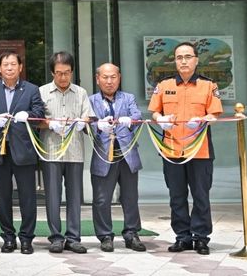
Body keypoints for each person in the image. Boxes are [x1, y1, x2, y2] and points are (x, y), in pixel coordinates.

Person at [148, 42, 222, 255]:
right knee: (177, 196)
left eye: (188, 56)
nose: (183, 61)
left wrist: (202, 119)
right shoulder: (163, 85)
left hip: (200, 150)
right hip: (172, 150)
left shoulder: (208, 86)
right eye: (179, 57)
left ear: (196, 60)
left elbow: (214, 114)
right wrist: (160, 119)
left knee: (200, 195)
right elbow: (154, 112)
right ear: (175, 60)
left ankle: (200, 238)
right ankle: (182, 237)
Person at [0, 51, 45, 254]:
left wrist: (29, 115)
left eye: (13, 64)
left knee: (27, 197)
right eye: (5, 65)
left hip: (23, 149)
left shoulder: (32, 89)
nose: (9, 68)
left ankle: (26, 238)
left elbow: (39, 114)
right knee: (2, 197)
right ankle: (8, 237)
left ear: (20, 67)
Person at [39, 51, 95, 254]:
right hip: (51, 151)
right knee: (53, 196)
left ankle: (73, 237)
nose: (63, 77)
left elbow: (88, 116)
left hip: (74, 152)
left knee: (74, 196)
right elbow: (36, 120)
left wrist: (83, 122)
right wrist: (50, 124)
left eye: (67, 73)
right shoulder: (42, 92)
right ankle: (55, 237)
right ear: (52, 72)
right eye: (59, 73)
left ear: (72, 72)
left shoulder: (80, 92)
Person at [89, 63, 146, 253]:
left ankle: (131, 233)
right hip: (103, 155)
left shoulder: (128, 98)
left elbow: (137, 116)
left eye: (113, 77)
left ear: (119, 78)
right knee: (101, 199)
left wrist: (130, 121)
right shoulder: (91, 101)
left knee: (130, 197)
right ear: (98, 79)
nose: (109, 81)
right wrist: (98, 125)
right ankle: (105, 235)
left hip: (127, 154)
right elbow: (86, 124)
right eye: (105, 77)